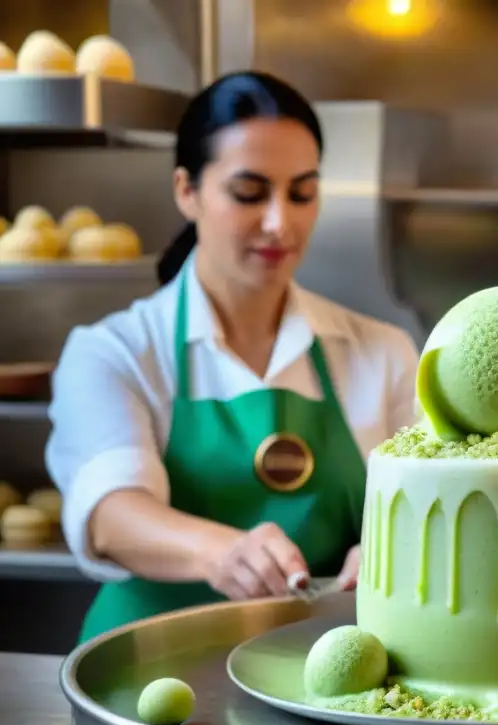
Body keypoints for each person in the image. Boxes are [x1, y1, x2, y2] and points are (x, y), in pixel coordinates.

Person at [46, 71, 419, 643]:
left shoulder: (381, 353)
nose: (280, 223)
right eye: (249, 192)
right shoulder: (114, 352)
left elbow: (424, 502)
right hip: (146, 663)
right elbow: (111, 514)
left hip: (322, 665)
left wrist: (388, 551)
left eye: (302, 193)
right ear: (185, 190)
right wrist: (221, 552)